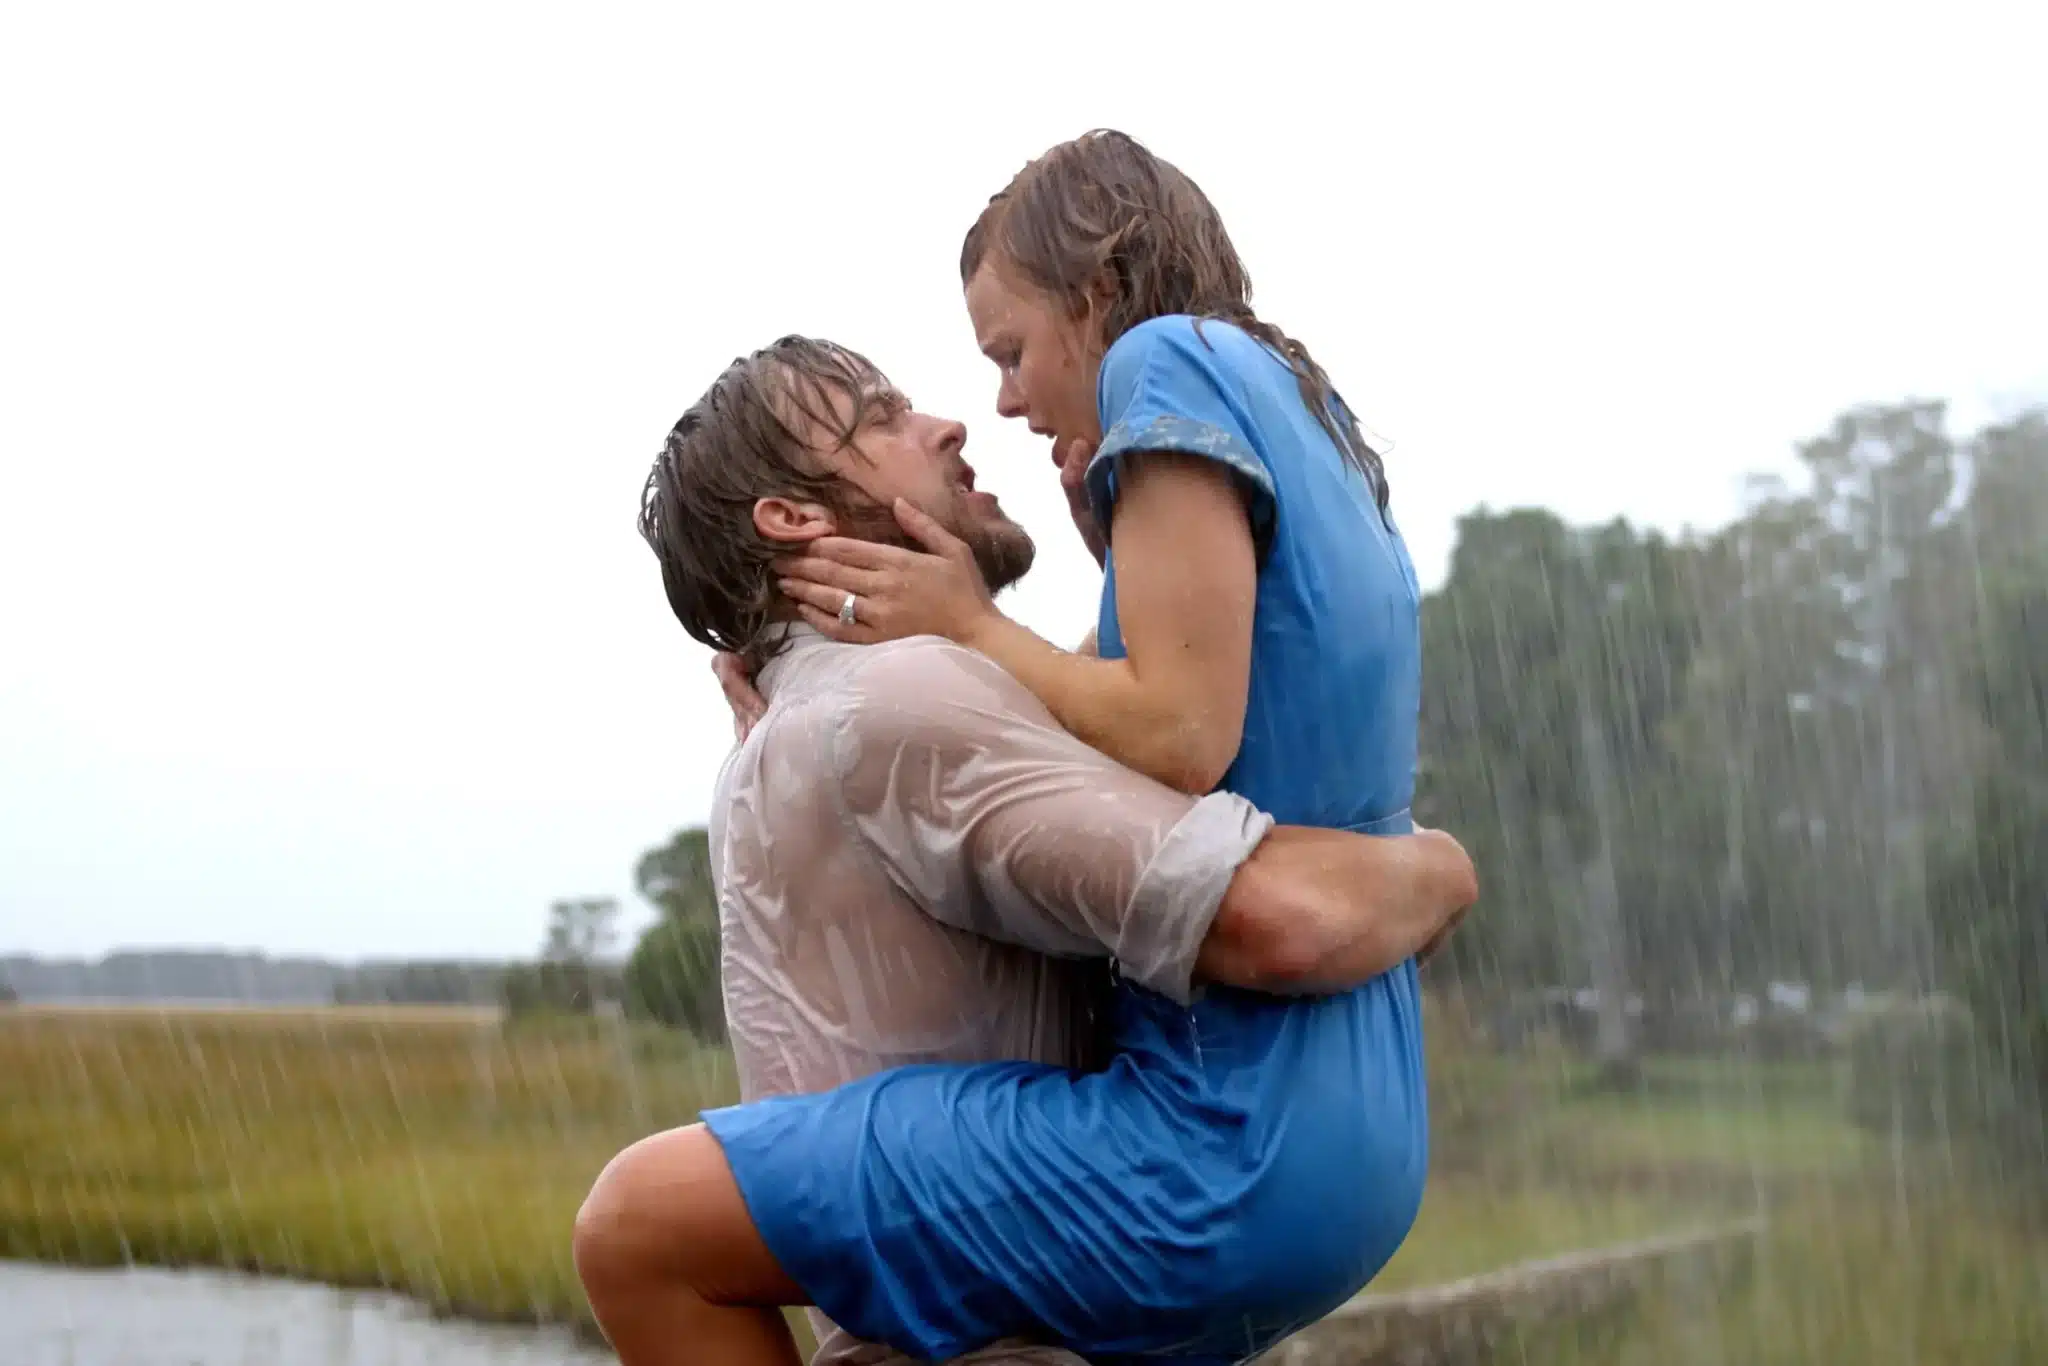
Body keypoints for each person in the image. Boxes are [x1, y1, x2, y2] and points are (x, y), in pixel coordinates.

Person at [575, 333, 1475, 1366]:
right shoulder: (891, 705)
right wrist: (1435, 864)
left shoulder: (794, 732)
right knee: (639, 1216)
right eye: (879, 418)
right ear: (793, 520)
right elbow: (1278, 924)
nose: (946, 423)